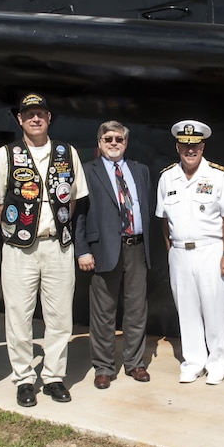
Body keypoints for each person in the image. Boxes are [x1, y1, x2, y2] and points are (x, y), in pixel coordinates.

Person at [0, 93, 88, 407]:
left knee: (59, 317)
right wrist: (15, 228)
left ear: (49, 117)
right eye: (29, 114)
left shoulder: (66, 153)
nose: (35, 119)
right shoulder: (5, 155)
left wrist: (58, 222)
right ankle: (24, 379)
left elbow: (73, 197)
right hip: (20, 249)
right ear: (20, 119)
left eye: (40, 113)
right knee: (18, 316)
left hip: (57, 245)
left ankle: (54, 377)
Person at [156, 120, 224, 385]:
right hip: (180, 253)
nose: (190, 150)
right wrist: (171, 250)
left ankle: (218, 362)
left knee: (216, 309)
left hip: (211, 251)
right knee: (187, 310)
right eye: (185, 145)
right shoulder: (166, 177)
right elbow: (163, 219)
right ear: (177, 146)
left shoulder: (218, 176)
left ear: (203, 147)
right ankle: (193, 361)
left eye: (195, 146)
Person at [75, 120, 152, 389]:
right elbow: (79, 215)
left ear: (126, 142)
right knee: (103, 313)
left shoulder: (140, 171)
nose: (113, 143)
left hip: (137, 247)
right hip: (103, 250)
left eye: (118, 139)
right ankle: (104, 367)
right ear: (99, 143)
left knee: (136, 309)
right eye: (108, 139)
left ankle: (134, 363)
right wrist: (82, 250)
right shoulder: (87, 171)